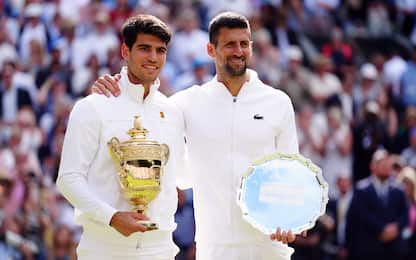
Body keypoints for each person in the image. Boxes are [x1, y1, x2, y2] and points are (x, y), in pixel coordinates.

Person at [93, 12, 305, 260]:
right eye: (229, 44)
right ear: (210, 49)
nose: (238, 50)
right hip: (213, 248)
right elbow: (142, 106)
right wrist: (111, 87)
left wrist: (291, 218)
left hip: (269, 246)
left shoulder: (278, 102)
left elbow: (293, 170)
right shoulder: (186, 102)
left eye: (244, 44)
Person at [56, 14, 187, 259]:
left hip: (160, 248)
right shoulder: (93, 106)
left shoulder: (171, 112)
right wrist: (113, 218)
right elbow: (68, 178)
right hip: (105, 248)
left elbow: (183, 175)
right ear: (125, 51)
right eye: (144, 49)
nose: (153, 58)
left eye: (160, 50)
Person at [346, 149, 409, 260]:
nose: (385, 165)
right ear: (372, 166)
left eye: (387, 162)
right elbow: (359, 216)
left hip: (393, 250)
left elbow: (405, 215)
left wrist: (396, 228)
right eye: (381, 162)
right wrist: (382, 229)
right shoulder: (361, 190)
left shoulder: (399, 189)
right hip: (368, 249)